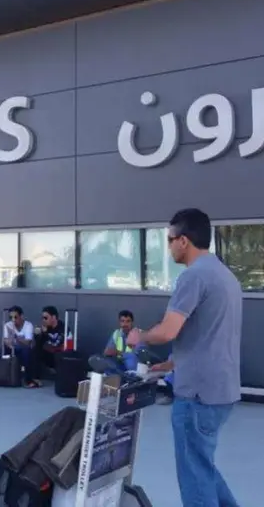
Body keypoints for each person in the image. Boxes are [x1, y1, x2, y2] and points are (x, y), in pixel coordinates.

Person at [125, 208, 242, 507]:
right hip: (222, 389)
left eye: (170, 239)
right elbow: (210, 334)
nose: (169, 246)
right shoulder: (224, 275)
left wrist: (140, 335)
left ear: (184, 241)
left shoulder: (194, 277)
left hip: (197, 394)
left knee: (194, 476)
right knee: (202, 466)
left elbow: (167, 331)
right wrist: (173, 363)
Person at [88, 310, 149, 375]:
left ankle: (130, 377)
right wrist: (108, 352)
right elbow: (108, 351)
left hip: (134, 367)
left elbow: (140, 356)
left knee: (131, 359)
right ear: (119, 322)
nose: (125, 324)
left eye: (128, 321)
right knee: (106, 361)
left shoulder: (139, 334)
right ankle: (115, 376)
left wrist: (119, 353)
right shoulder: (116, 333)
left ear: (132, 322)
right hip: (119, 364)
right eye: (122, 321)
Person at [2, 305, 37, 388]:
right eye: (11, 317)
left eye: (15, 317)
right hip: (13, 347)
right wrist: (11, 345)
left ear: (21, 316)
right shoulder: (8, 325)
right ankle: (4, 376)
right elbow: (6, 340)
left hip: (24, 349)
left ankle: (27, 379)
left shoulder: (28, 325)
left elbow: (28, 342)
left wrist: (16, 337)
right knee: (3, 350)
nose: (13, 320)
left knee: (26, 351)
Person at [32, 305, 65, 380]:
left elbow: (56, 344)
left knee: (58, 354)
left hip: (60, 354)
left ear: (53, 317)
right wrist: (38, 335)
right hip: (49, 354)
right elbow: (38, 345)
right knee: (35, 351)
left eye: (46, 318)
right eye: (42, 318)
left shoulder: (63, 328)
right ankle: (35, 379)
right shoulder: (45, 327)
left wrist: (46, 333)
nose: (44, 320)